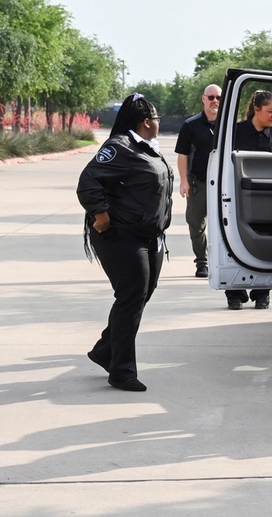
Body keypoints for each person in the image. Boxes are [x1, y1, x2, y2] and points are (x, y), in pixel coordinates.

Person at [78, 93, 174, 392]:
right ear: (146, 122)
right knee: (131, 296)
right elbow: (88, 181)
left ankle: (105, 351)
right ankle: (121, 371)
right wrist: (101, 215)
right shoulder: (119, 146)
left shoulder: (146, 147)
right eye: (157, 118)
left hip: (149, 235)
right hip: (121, 235)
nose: (158, 122)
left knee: (141, 294)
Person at [228, 90, 272, 309]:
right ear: (256, 110)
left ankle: (262, 293)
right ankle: (234, 293)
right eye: (270, 111)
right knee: (234, 243)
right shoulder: (235, 132)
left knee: (267, 246)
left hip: (271, 202)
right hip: (239, 199)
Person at [174, 84, 221, 279]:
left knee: (224, 224)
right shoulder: (190, 125)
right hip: (198, 183)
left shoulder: (229, 125)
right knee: (196, 224)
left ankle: (222, 261)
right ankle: (202, 263)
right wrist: (183, 181)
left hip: (223, 185)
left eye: (218, 97)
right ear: (203, 99)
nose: (215, 101)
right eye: (211, 97)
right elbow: (182, 155)